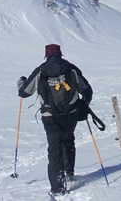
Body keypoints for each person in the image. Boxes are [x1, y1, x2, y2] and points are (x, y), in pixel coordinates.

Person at [18, 44, 93, 196]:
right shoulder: (70, 68)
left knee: (54, 148)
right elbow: (87, 90)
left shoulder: (41, 70)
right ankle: (69, 173)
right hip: (70, 114)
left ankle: (57, 187)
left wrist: (20, 82)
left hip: (49, 116)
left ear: (46, 55)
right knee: (68, 140)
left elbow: (24, 92)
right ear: (60, 54)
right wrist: (83, 105)